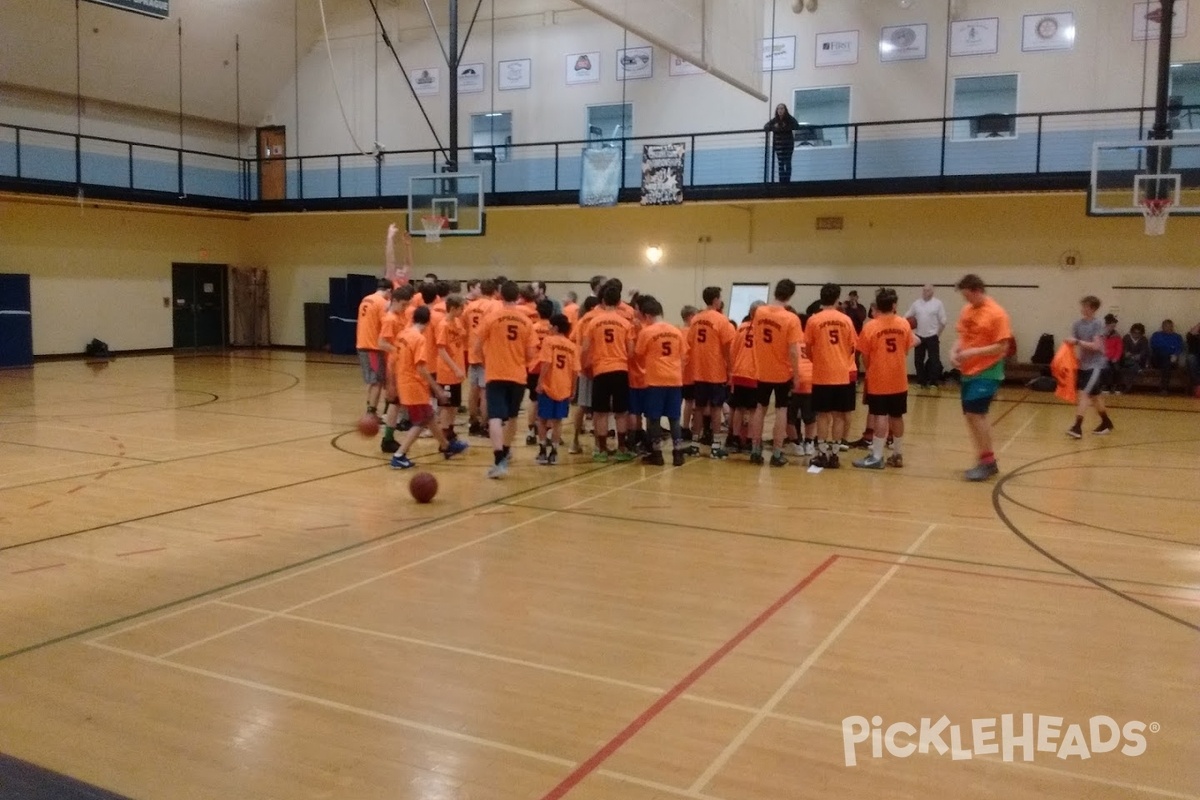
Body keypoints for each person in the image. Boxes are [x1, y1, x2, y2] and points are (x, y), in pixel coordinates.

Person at [388, 306, 468, 469]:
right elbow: (421, 368)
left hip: (404, 382)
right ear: (428, 322)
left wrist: (393, 383)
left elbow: (394, 361)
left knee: (429, 417)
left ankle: (446, 446)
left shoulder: (403, 335)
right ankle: (399, 455)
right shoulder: (419, 339)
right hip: (414, 386)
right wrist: (437, 389)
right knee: (420, 422)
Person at [950, 274, 1013, 482]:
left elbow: (1002, 347)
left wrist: (972, 353)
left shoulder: (997, 313)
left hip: (988, 371)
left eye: (968, 296)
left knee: (977, 414)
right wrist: (954, 351)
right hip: (968, 372)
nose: (966, 301)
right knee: (971, 416)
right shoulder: (967, 310)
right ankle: (983, 459)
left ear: (977, 290)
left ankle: (988, 462)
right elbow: (962, 336)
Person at [472, 281, 536, 479]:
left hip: (496, 373)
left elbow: (476, 346)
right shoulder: (526, 321)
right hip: (517, 375)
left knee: (495, 418)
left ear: (500, 295)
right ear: (518, 297)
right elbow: (531, 353)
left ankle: (499, 458)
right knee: (513, 417)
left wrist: (487, 360)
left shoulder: (491, 317)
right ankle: (506, 451)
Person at [853, 289, 917, 469]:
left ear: (878, 305)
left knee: (880, 416)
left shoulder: (870, 326)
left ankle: (877, 456)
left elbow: (864, 356)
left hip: (879, 378)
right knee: (897, 416)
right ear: (894, 305)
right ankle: (897, 454)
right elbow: (906, 349)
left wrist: (873, 368)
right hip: (899, 379)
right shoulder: (904, 324)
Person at [750, 279, 803, 467]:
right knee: (781, 410)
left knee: (760, 408)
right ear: (790, 295)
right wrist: (797, 375)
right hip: (782, 372)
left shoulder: (760, 312)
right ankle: (777, 452)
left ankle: (755, 450)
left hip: (762, 369)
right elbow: (794, 351)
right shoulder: (791, 319)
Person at [805, 283, 858, 469]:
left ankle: (821, 453)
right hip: (842, 374)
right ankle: (835, 454)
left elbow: (808, 349)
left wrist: (819, 360)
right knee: (839, 416)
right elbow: (853, 346)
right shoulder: (846, 320)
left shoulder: (813, 320)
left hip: (822, 375)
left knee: (822, 416)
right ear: (837, 299)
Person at [581, 282, 635, 461]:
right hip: (620, 370)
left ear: (603, 301)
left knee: (600, 412)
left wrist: (586, 366)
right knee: (621, 412)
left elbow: (585, 348)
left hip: (600, 370)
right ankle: (621, 448)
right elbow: (631, 352)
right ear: (619, 301)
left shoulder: (594, 322)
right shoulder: (625, 324)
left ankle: (602, 450)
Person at [636, 297, 688, 466]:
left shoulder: (647, 332)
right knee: (674, 418)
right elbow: (684, 355)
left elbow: (639, 354)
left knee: (654, 418)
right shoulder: (676, 331)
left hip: (655, 379)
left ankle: (657, 454)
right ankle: (678, 452)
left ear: (648, 315)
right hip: (674, 378)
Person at [687, 288, 737, 458]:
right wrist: (730, 369)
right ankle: (715, 446)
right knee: (716, 408)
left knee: (698, 408)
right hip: (716, 371)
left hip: (698, 370)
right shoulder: (722, 320)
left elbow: (690, 343)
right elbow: (728, 348)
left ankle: (694, 444)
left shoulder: (695, 319)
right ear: (716, 300)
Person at [1064, 296, 1115, 438]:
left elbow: (1096, 346)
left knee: (1084, 394)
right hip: (1084, 365)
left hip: (1096, 365)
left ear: (1092, 308)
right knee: (1095, 396)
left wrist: (1077, 341)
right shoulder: (1077, 324)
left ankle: (1077, 427)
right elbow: (1074, 343)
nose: (1082, 309)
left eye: (1085, 306)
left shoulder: (1098, 324)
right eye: (1082, 306)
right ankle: (1106, 422)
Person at [535, 314, 580, 466]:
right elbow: (575, 371)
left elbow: (546, 363)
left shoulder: (548, 341)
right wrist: (573, 389)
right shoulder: (572, 346)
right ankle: (554, 452)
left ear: (555, 327)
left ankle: (542, 450)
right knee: (557, 422)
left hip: (549, 386)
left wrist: (540, 382)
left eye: (550, 326)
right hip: (564, 387)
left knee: (541, 419)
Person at [376, 285, 415, 453]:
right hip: (393, 365)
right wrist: (399, 350)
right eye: (404, 304)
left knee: (397, 404)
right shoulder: (390, 319)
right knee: (394, 403)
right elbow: (382, 343)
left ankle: (389, 437)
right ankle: (388, 439)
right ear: (396, 301)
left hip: (402, 364)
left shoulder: (400, 315)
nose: (406, 308)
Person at [463, 279, 499, 434]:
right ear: (494, 291)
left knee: (473, 389)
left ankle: (473, 422)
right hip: (486, 353)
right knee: (485, 392)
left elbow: (464, 326)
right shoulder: (494, 306)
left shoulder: (470, 306)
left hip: (472, 351)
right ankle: (485, 425)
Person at [568, 295, 602, 455]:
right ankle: (597, 445)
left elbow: (573, 339)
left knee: (582, 406)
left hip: (583, 366)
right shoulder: (598, 319)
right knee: (597, 408)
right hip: (597, 365)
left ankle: (574, 442)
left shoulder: (582, 321)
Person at [355, 277, 393, 419]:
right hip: (372, 347)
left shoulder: (366, 299)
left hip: (362, 343)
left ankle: (370, 408)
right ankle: (371, 412)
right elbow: (386, 323)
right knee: (377, 381)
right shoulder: (383, 303)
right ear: (389, 290)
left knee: (372, 380)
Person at [727, 303, 762, 453]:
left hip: (739, 371)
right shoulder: (763, 329)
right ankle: (748, 440)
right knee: (753, 410)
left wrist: (732, 370)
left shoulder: (740, 327)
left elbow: (732, 350)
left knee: (738, 408)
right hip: (755, 373)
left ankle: (734, 439)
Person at [434, 294, 468, 446]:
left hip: (456, 372)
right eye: (461, 308)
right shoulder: (443, 325)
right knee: (446, 407)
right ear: (453, 308)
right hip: (447, 372)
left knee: (454, 404)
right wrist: (455, 368)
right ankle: (444, 439)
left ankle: (451, 434)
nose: (463, 310)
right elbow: (441, 350)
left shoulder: (457, 322)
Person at [904, 284, 947, 388]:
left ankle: (933, 382)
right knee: (918, 360)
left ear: (932, 292)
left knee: (934, 360)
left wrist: (937, 334)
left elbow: (943, 321)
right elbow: (906, 316)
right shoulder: (916, 304)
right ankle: (921, 381)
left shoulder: (938, 304)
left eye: (927, 290)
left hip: (932, 336)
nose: (925, 292)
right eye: (924, 290)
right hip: (919, 336)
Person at [525, 299, 554, 445]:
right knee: (549, 400)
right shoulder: (553, 330)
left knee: (534, 400)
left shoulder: (532, 328)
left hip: (533, 367)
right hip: (549, 369)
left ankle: (531, 432)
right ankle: (548, 434)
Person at [764, 103, 801, 184]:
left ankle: (787, 182)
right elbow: (766, 126)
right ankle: (781, 182)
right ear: (777, 111)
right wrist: (775, 127)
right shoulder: (775, 120)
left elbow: (796, 126)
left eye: (782, 108)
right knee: (780, 163)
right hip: (779, 145)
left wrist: (785, 127)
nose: (780, 110)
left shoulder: (789, 119)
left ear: (785, 110)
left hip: (788, 145)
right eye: (778, 109)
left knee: (788, 162)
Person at [1150, 319, 1185, 394]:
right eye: (1166, 326)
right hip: (1157, 360)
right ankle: (1164, 388)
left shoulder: (1177, 337)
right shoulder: (1156, 335)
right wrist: (1170, 350)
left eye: (1170, 326)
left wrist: (1175, 354)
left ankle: (1164, 388)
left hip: (1172, 361)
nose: (1168, 328)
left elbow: (1180, 348)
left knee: (1167, 362)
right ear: (1162, 327)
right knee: (1164, 356)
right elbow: (1155, 346)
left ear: (1172, 327)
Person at [1120, 323, 1150, 393]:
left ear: (1142, 333)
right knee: (1129, 362)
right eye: (1134, 332)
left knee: (1132, 367)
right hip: (1127, 360)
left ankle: (1128, 387)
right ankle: (1138, 369)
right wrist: (1126, 353)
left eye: (1139, 333)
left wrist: (1139, 356)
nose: (1136, 335)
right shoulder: (1126, 338)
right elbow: (1123, 349)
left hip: (1138, 361)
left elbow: (1144, 351)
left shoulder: (1143, 339)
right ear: (1131, 331)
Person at [1100, 314, 1123, 394]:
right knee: (1106, 369)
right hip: (1103, 357)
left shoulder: (1117, 336)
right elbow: (1099, 346)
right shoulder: (1100, 335)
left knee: (1117, 369)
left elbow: (1119, 348)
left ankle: (1116, 386)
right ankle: (1105, 386)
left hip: (1113, 358)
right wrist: (1104, 356)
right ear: (1106, 325)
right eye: (1111, 326)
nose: (1113, 328)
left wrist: (1116, 357)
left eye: (1114, 326)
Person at [1187, 322, 1200, 395]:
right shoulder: (1194, 338)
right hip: (1196, 360)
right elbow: (1191, 333)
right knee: (1190, 358)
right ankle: (1197, 385)